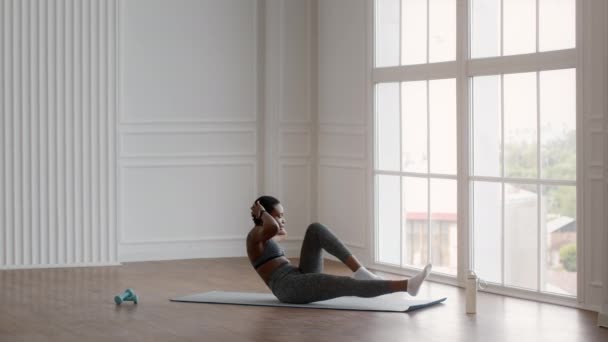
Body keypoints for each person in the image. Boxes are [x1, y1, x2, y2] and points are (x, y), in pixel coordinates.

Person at [246, 195, 432, 304]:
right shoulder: (255, 236)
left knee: (315, 229)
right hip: (287, 287)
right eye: (279, 216)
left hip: (298, 274)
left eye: (283, 215)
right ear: (264, 216)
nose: (283, 220)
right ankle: (407, 286)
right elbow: (273, 228)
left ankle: (361, 272)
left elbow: (278, 231)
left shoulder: (267, 235)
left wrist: (271, 218)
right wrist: (262, 213)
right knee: (341, 283)